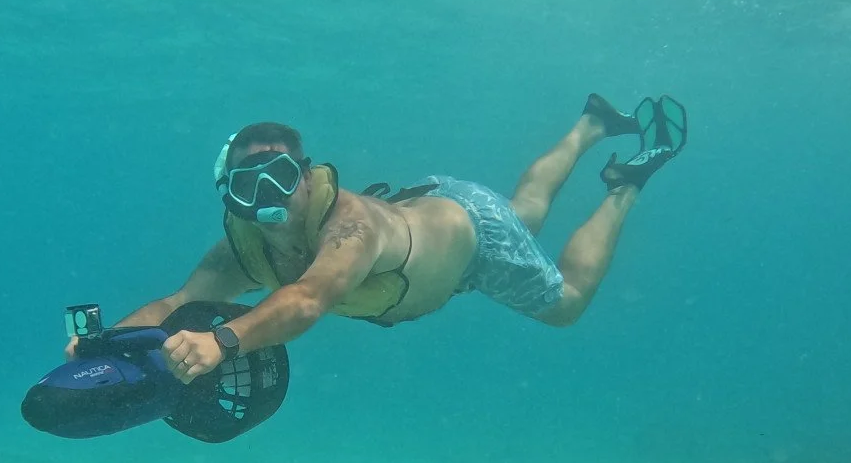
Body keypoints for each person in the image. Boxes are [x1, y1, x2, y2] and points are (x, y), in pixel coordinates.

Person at [91, 94, 686, 384]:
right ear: (228, 193)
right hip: (429, 206)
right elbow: (173, 304)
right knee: (527, 209)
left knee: (566, 303)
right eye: (251, 186)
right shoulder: (240, 247)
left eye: (282, 178)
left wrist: (224, 341)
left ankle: (625, 185)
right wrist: (105, 345)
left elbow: (308, 298)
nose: (270, 200)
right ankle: (593, 123)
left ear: (306, 175)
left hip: (474, 237)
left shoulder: (350, 227)